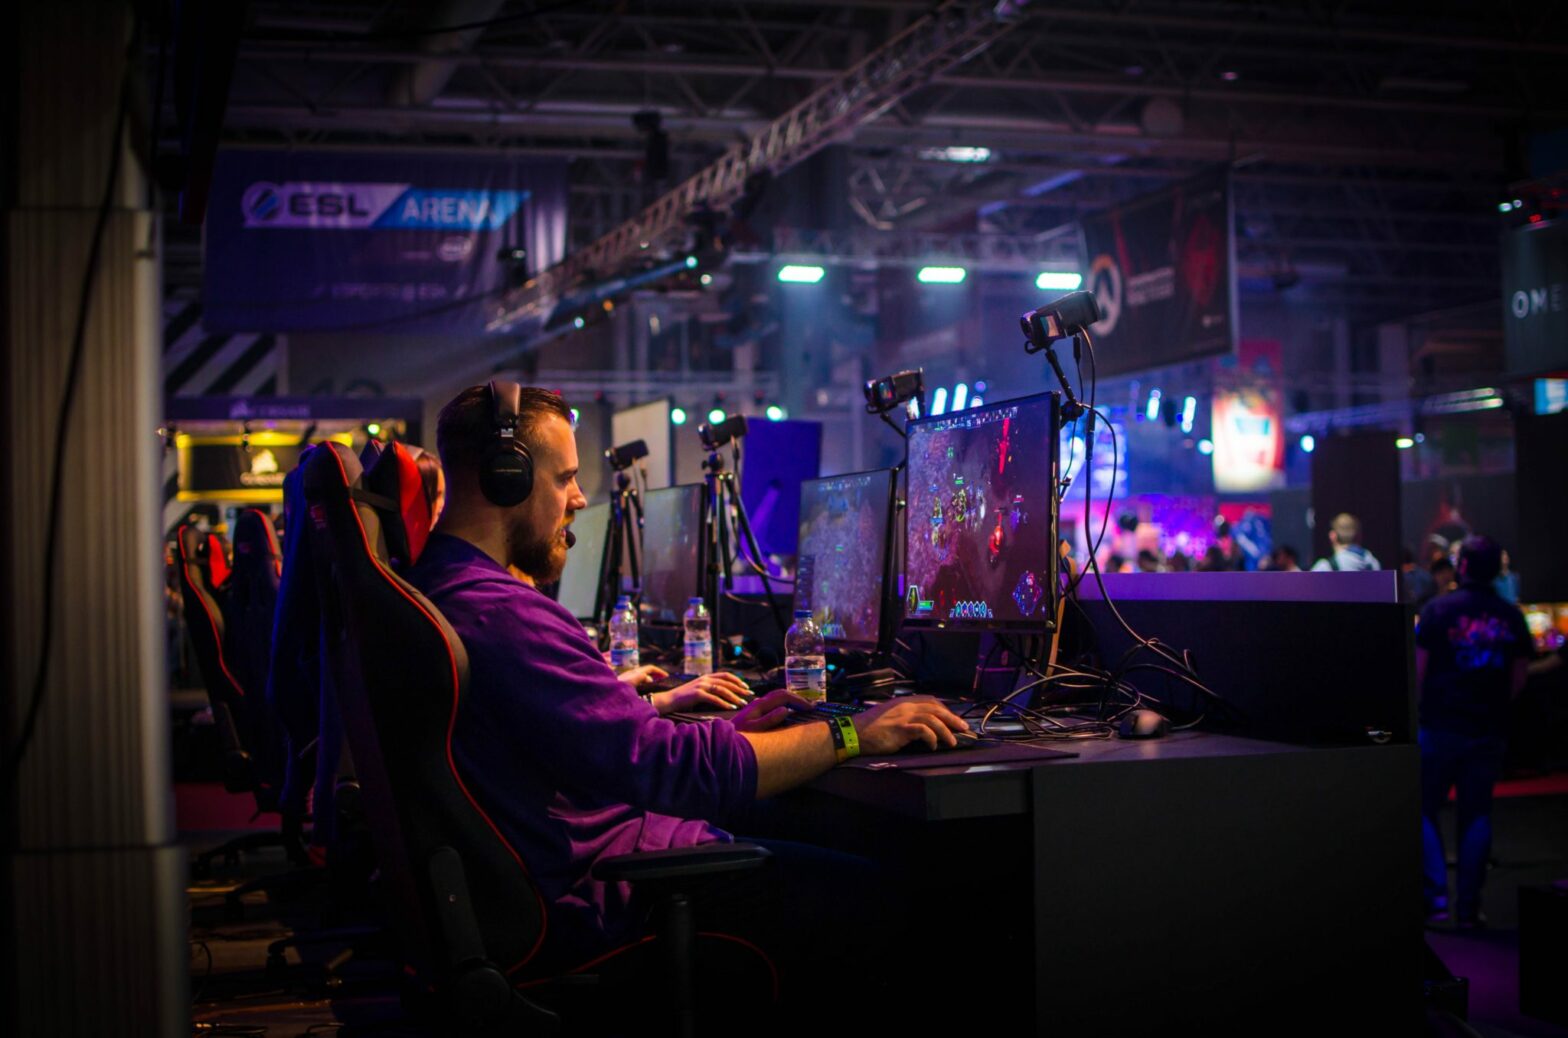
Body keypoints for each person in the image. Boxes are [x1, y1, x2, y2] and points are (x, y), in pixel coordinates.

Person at [407, 383, 967, 984]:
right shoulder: (501, 613)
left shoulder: (441, 588)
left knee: (807, 823)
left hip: (574, 867)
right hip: (608, 901)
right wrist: (854, 733)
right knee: (898, 899)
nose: (577, 498)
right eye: (564, 477)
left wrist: (727, 730)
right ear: (507, 479)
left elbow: (607, 747)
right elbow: (671, 769)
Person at [1415, 536, 1532, 929]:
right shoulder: (1510, 615)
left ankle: (1436, 902)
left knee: (1422, 809)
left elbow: (1418, 671)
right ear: (1497, 569)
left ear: (1461, 566)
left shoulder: (1437, 610)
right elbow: (1518, 680)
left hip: (1439, 726)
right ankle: (1469, 908)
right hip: (1487, 729)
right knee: (1477, 815)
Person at [1311, 513, 1381, 572]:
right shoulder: (1373, 564)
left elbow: (1306, 586)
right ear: (1359, 536)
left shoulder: (1325, 567)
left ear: (1332, 536)